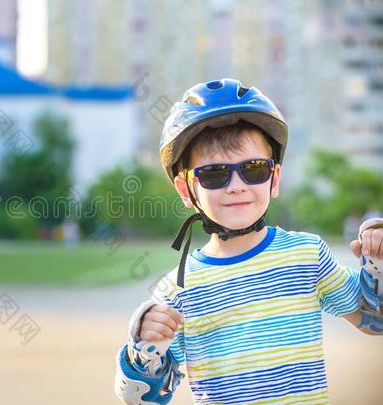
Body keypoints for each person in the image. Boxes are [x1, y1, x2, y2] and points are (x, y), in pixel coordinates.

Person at [114, 79, 383, 404]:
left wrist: (377, 264)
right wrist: (144, 347)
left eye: (253, 169)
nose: (236, 186)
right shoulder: (177, 291)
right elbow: (144, 399)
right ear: (186, 191)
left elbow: (374, 319)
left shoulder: (307, 255)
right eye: (214, 174)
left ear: (275, 178)